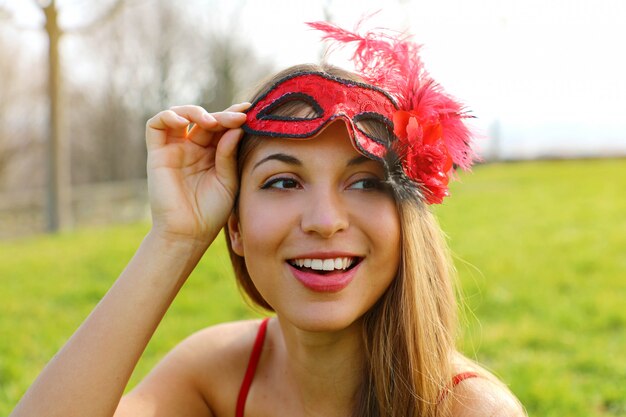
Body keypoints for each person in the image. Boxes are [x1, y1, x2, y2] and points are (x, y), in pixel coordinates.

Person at [10, 22, 526, 417]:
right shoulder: (215, 375)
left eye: (365, 182)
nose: (324, 221)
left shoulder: (471, 409)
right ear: (233, 226)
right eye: (283, 182)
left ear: (407, 218)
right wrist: (174, 238)